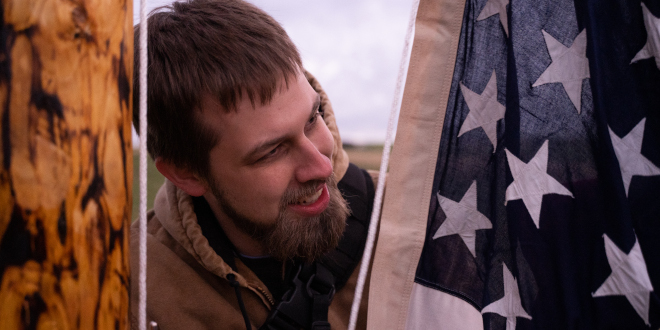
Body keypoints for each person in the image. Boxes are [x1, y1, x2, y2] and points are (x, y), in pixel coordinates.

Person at [129, 0, 378, 329]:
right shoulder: (127, 291)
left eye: (312, 119)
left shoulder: (424, 223)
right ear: (186, 173)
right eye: (272, 151)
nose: (322, 167)